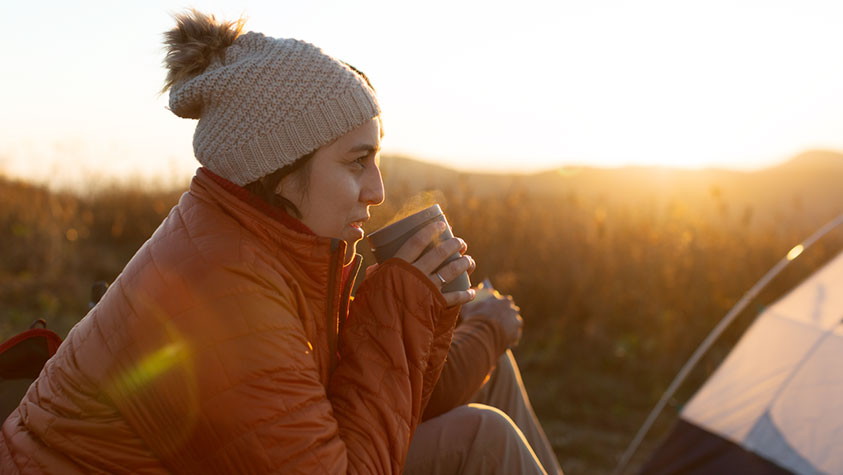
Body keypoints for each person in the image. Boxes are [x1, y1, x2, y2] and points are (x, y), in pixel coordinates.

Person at [0, 10, 560, 474]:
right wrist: (401, 301)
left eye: (378, 158)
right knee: (485, 440)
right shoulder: (222, 291)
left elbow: (346, 402)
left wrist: (434, 310)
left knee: (494, 387)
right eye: (357, 161)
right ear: (277, 171)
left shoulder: (268, 248)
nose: (378, 189)